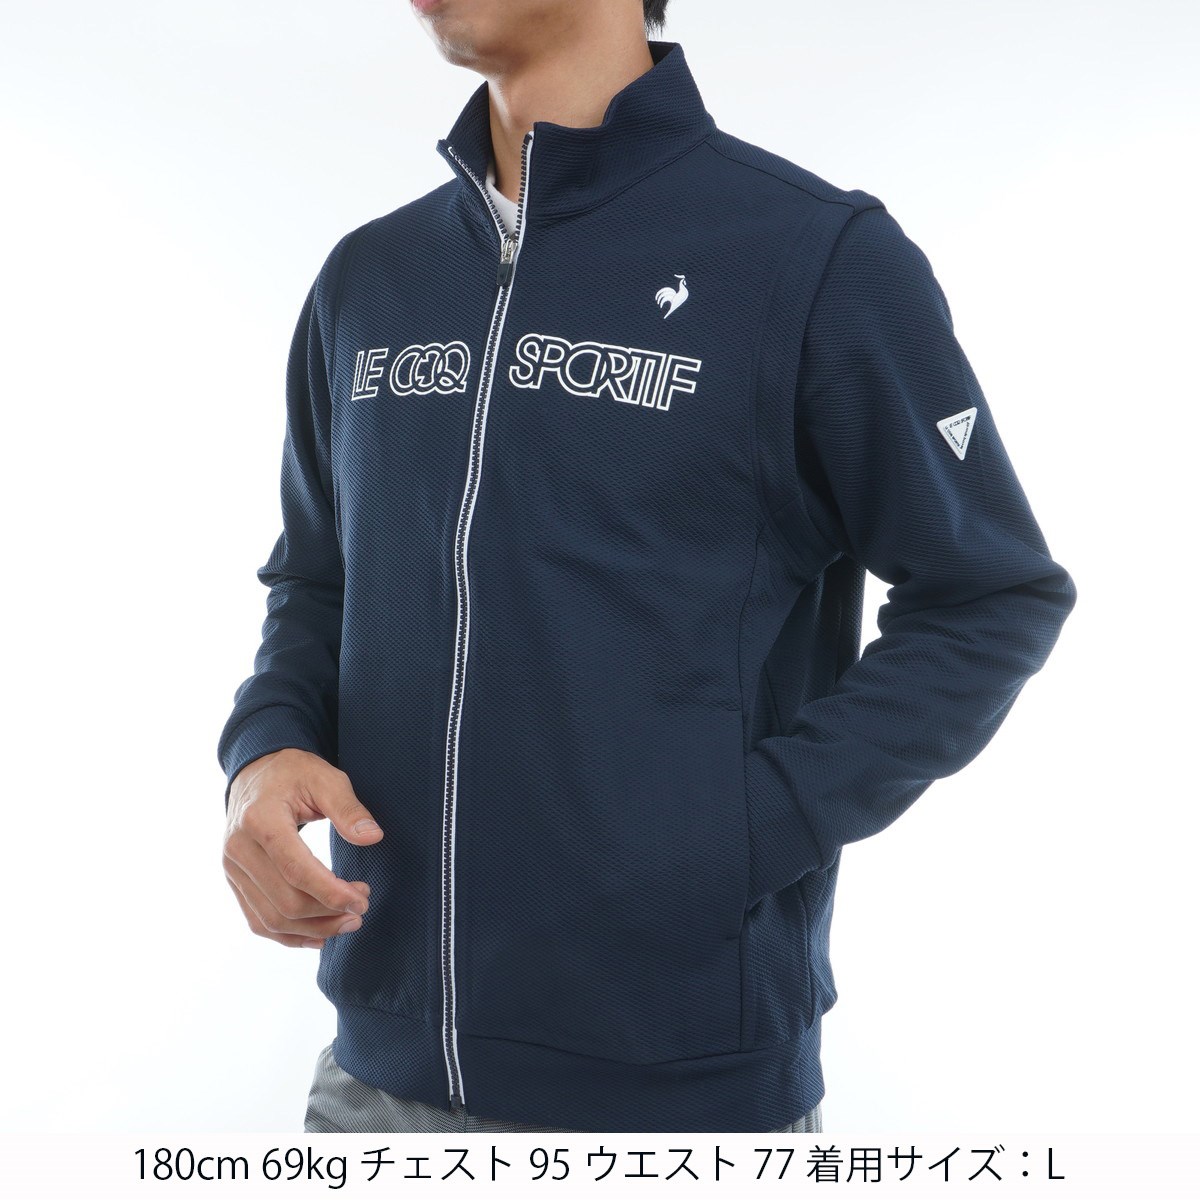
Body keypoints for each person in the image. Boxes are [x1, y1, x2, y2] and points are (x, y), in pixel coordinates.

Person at [218, 0, 1077, 1135]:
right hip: (375, 1083)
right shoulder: (369, 279)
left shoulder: (811, 257)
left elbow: (989, 593)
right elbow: (320, 579)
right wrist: (265, 749)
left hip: (680, 1102)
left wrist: (743, 830)